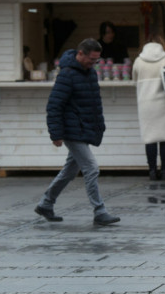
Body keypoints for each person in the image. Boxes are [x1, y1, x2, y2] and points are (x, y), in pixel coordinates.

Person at [35, 38, 120, 226]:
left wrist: (99, 125)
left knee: (70, 171)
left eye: (97, 60)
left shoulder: (89, 73)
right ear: (80, 54)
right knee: (91, 167)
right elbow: (54, 106)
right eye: (91, 59)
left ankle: (45, 204)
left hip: (83, 128)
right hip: (72, 130)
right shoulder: (66, 75)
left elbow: (94, 103)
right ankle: (100, 211)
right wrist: (55, 134)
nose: (94, 64)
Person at [132, 34, 165, 181]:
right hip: (164, 103)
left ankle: (152, 171)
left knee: (150, 138)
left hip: (146, 104)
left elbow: (134, 80)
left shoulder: (138, 61)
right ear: (161, 44)